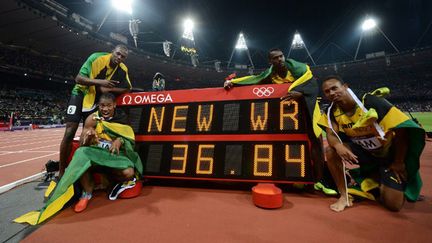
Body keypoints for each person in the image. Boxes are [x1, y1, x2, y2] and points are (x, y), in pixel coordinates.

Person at [14, 93, 143, 225]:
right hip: (96, 155)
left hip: (113, 156)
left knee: (129, 172)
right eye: (102, 106)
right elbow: (82, 144)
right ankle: (87, 193)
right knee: (81, 155)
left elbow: (129, 140)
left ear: (114, 105)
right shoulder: (92, 119)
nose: (105, 109)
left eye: (109, 106)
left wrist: (119, 141)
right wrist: (89, 138)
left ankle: (111, 183)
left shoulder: (122, 118)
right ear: (98, 106)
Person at [224, 48, 335, 194]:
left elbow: (312, 84)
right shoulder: (271, 74)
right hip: (287, 113)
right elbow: (255, 79)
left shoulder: (298, 68)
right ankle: (300, 178)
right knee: (291, 144)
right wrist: (232, 82)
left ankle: (320, 181)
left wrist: (301, 94)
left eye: (281, 56)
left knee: (315, 141)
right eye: (276, 58)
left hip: (306, 108)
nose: (280, 59)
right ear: (271, 61)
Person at [319, 76, 425, 212]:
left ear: (345, 86)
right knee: (331, 150)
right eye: (327, 91)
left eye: (334, 88)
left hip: (389, 157)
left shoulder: (371, 101)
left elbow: (401, 130)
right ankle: (344, 196)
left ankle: (380, 180)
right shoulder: (331, 111)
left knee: (394, 205)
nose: (331, 93)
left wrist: (399, 161)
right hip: (366, 155)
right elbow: (331, 134)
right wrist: (338, 146)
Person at [59, 44, 132, 178]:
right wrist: (101, 83)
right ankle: (62, 171)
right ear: (112, 52)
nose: (119, 57)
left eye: (123, 56)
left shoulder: (123, 69)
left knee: (87, 134)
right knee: (70, 132)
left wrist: (110, 90)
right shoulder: (96, 58)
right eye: (118, 54)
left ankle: (81, 169)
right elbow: (79, 79)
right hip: (80, 94)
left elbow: (127, 88)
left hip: (94, 101)